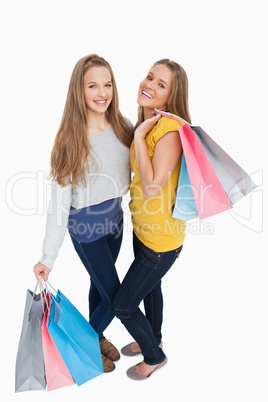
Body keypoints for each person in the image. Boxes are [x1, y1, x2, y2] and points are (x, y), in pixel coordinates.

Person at [33, 54, 133, 373]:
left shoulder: (123, 126)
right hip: (87, 232)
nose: (102, 92)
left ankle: (97, 336)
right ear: (80, 90)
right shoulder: (69, 140)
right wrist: (47, 257)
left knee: (100, 288)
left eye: (107, 84)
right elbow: (58, 205)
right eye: (93, 85)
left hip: (116, 223)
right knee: (117, 296)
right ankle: (81, 345)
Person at [113, 58, 191, 379]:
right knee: (150, 290)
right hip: (144, 231)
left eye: (161, 84)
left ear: (170, 98)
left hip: (161, 241)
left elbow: (152, 185)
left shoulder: (169, 130)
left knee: (123, 306)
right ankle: (152, 337)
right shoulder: (146, 126)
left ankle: (154, 355)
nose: (149, 85)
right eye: (149, 77)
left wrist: (142, 132)